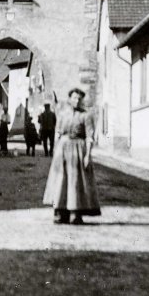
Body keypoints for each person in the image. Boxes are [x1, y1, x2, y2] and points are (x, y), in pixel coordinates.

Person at [42, 87, 101, 225]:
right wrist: (56, 149)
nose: (77, 100)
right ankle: (60, 212)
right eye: (74, 97)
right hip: (63, 149)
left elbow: (89, 137)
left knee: (76, 182)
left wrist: (87, 155)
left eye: (79, 98)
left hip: (78, 150)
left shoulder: (86, 116)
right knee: (61, 181)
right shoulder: (63, 114)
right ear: (69, 99)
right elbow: (57, 132)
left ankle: (76, 213)